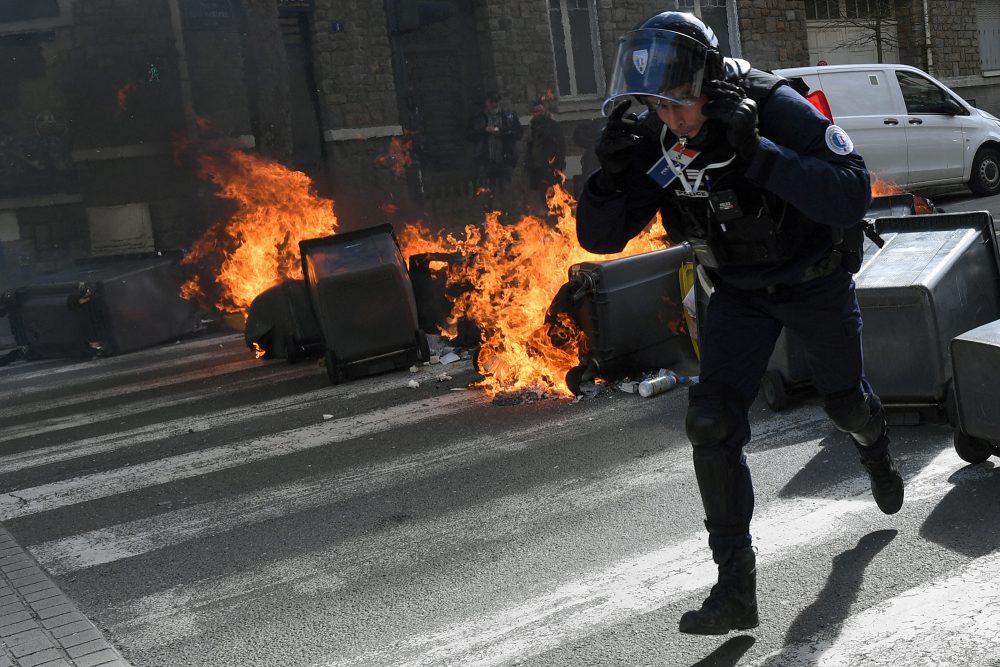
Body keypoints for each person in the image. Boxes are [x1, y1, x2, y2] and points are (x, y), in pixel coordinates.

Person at [575, 11, 904, 636]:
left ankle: (876, 449)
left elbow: (850, 192)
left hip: (813, 280)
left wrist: (757, 151)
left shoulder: (773, 107)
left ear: (709, 82)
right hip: (738, 293)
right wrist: (609, 180)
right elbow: (600, 237)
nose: (671, 120)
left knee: (844, 404)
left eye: (680, 104)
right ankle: (735, 591)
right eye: (657, 107)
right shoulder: (663, 135)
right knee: (711, 421)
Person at [469, 91, 523, 208]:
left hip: (504, 159)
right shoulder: (479, 118)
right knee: (487, 192)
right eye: (491, 102)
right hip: (486, 160)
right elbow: (470, 135)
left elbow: (518, 134)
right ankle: (490, 218)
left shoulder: (508, 116)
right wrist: (485, 131)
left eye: (496, 102)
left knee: (506, 191)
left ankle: (508, 217)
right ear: (486, 102)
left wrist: (504, 132)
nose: (494, 104)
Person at [526, 99, 566, 203]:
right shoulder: (531, 128)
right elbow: (529, 149)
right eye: (535, 111)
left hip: (551, 166)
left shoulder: (552, 126)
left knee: (555, 194)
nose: (538, 113)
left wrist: (558, 165)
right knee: (543, 196)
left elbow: (561, 146)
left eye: (540, 110)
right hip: (537, 167)